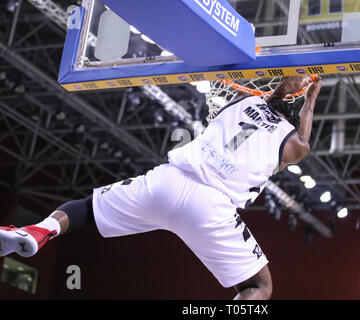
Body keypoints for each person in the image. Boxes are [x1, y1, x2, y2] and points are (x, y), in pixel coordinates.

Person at [0, 75, 322, 300]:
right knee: (259, 287)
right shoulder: (291, 142)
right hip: (212, 207)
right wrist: (310, 99)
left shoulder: (242, 99)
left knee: (85, 209)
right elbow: (304, 141)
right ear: (291, 121)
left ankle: (37, 231)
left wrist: (285, 87)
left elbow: (269, 104)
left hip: (169, 180)